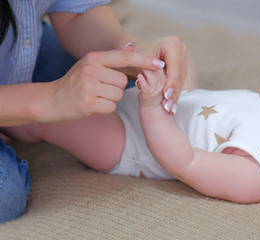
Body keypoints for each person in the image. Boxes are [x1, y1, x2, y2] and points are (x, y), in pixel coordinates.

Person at [5, 68, 260, 218]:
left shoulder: (256, 179)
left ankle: (15, 124)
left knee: (62, 123)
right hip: (179, 101)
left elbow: (185, 162)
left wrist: (150, 111)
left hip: (133, 141)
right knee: (182, 64)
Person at [0, 0, 188, 222]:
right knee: (6, 197)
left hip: (13, 45)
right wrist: (47, 99)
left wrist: (129, 50)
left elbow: (75, 14)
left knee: (123, 87)